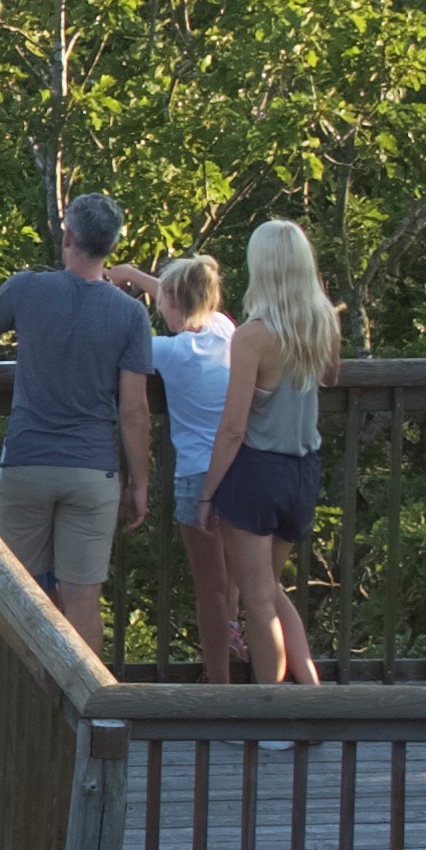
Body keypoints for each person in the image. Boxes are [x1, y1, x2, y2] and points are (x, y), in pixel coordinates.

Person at [0, 191, 157, 646]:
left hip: (27, 463)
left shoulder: (25, 288)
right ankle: (87, 712)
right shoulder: (130, 315)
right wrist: (139, 483)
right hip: (92, 470)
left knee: (22, 597)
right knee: (83, 601)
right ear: (110, 246)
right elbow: (134, 410)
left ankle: (25, 707)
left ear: (68, 236)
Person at [198, 218, 340, 688]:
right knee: (271, 592)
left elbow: (234, 427)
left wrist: (206, 496)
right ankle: (309, 691)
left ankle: (271, 710)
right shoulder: (323, 324)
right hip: (302, 470)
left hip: (257, 472)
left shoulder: (254, 335)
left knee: (258, 602)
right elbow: (332, 377)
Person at [138, 252, 238, 675]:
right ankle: (237, 650)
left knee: (209, 589)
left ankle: (218, 684)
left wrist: (120, 284)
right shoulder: (225, 329)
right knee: (237, 577)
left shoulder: (168, 351)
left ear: (171, 298)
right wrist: (137, 278)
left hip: (197, 475)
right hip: (239, 468)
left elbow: (120, 341)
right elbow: (187, 297)